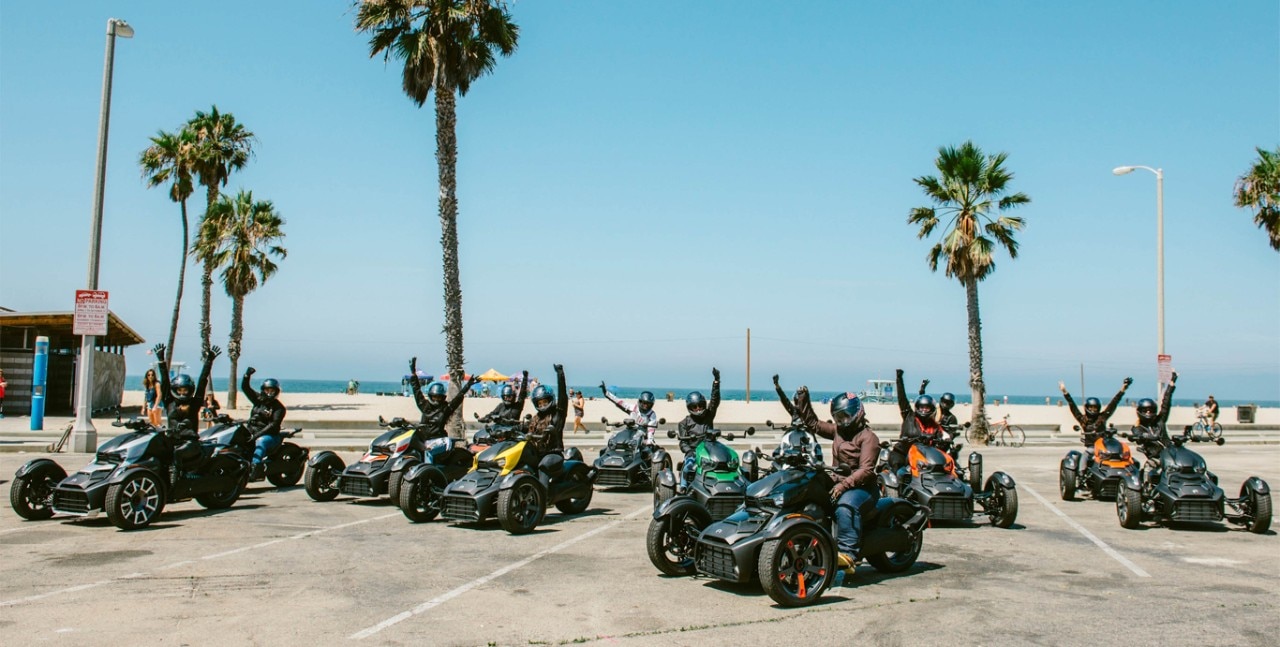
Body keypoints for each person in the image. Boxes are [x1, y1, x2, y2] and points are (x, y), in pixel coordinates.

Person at [793, 385, 880, 571]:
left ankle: (848, 554)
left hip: (863, 488)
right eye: (838, 418)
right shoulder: (838, 431)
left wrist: (843, 486)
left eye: (845, 416)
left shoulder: (868, 437)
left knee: (844, 507)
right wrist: (803, 399)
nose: (842, 421)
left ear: (858, 413)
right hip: (839, 481)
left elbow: (866, 470)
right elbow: (813, 424)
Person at [154, 343, 219, 487]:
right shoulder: (169, 402)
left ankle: (174, 483)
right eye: (180, 390)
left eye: (186, 390)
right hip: (172, 440)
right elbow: (164, 382)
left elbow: (202, 382)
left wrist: (209, 361)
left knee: (176, 454)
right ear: (175, 390)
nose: (183, 393)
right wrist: (161, 360)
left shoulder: (194, 403)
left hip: (190, 442)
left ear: (190, 390)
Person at [408, 357, 480, 445]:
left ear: (442, 397)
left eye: (439, 397)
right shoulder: (425, 406)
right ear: (431, 396)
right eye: (434, 397)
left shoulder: (445, 409)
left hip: (439, 441)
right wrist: (413, 373)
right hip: (423, 441)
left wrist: (467, 386)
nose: (437, 399)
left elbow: (457, 399)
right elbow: (416, 391)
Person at [887, 369, 945, 471]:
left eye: (926, 407)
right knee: (900, 471)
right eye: (921, 407)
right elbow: (902, 398)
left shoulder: (934, 426)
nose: (924, 410)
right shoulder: (909, 416)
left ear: (931, 409)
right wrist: (899, 379)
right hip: (904, 452)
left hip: (924, 457)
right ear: (917, 407)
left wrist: (947, 441)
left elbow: (941, 441)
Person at [675, 368, 721, 491]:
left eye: (700, 405)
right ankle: (683, 489)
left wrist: (716, 382)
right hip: (694, 452)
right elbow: (683, 442)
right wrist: (689, 451)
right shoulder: (683, 423)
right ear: (690, 407)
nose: (698, 408)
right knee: (688, 467)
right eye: (694, 407)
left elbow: (715, 401)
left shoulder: (708, 415)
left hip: (710, 450)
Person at [1129, 372, 1179, 481]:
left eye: (1150, 410)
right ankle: (1147, 490)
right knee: (1148, 468)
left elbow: (1166, 403)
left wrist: (1171, 384)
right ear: (1140, 411)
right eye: (1145, 410)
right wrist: (1144, 436)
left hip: (1171, 455)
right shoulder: (1137, 427)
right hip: (1155, 458)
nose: (1148, 412)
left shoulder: (1160, 421)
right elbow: (1137, 436)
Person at [526, 364, 569, 487]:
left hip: (553, 453)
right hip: (536, 452)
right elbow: (525, 428)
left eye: (545, 401)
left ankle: (542, 497)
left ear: (551, 399)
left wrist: (560, 374)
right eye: (539, 403)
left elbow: (563, 396)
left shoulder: (558, 414)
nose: (542, 405)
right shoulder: (536, 418)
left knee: (543, 466)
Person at [242, 368, 287, 481]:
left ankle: (254, 468)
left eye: (272, 390)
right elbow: (245, 388)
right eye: (267, 390)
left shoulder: (279, 408)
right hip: (252, 431)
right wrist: (247, 376)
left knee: (261, 442)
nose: (269, 393)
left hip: (269, 435)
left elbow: (273, 425)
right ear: (263, 390)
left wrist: (256, 436)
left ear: (276, 392)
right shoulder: (258, 400)